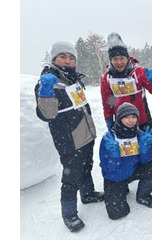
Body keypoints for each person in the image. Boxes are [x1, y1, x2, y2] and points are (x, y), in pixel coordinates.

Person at [34, 41, 104, 232]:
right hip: (68, 139)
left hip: (86, 134)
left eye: (71, 57)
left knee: (86, 166)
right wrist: (46, 91)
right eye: (62, 56)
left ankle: (87, 194)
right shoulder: (47, 82)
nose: (67, 60)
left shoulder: (73, 80)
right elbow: (47, 114)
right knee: (71, 176)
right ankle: (69, 214)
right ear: (54, 59)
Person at [100, 32, 152, 182]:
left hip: (143, 118)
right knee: (127, 149)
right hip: (123, 123)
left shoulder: (139, 71)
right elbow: (106, 101)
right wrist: (109, 120)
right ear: (110, 60)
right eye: (115, 59)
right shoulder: (107, 78)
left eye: (122, 58)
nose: (119, 62)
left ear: (127, 57)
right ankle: (128, 174)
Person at [99, 102, 152, 220]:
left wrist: (145, 149)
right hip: (115, 177)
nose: (130, 120)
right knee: (117, 214)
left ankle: (143, 195)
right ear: (119, 118)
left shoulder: (140, 135)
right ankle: (121, 189)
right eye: (126, 117)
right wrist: (114, 156)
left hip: (133, 170)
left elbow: (147, 162)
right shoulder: (109, 138)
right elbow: (107, 169)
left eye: (133, 117)